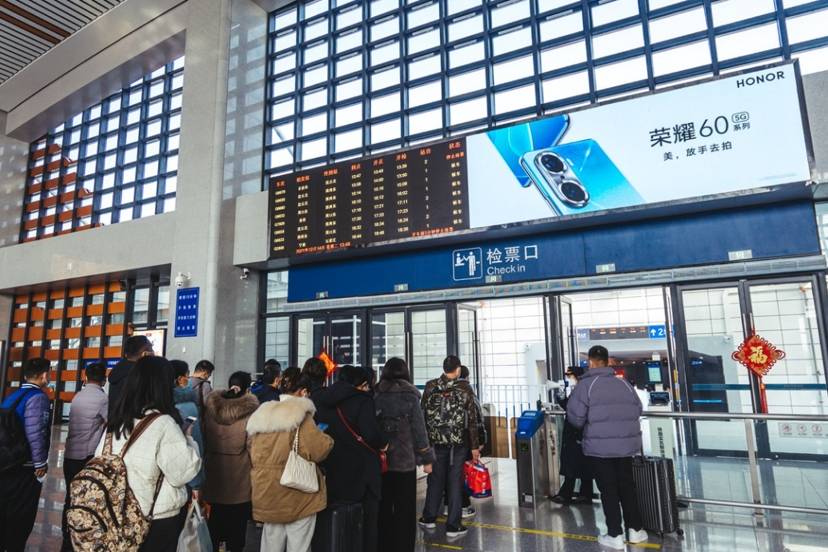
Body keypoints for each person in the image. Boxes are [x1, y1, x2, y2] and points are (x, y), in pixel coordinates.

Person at [96, 356, 201, 552]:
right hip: (154, 520)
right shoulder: (163, 423)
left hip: (115, 513)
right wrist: (188, 439)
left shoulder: (116, 422)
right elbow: (182, 473)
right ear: (163, 386)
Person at [567, 345, 647, 550]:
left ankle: (615, 534)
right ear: (607, 361)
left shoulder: (586, 385)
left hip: (600, 448)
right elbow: (638, 409)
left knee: (608, 489)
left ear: (591, 362)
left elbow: (576, 418)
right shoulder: (623, 384)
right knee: (627, 486)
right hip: (626, 447)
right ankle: (635, 530)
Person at [247, 368, 333, 551]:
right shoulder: (301, 416)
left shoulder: (262, 413)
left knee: (271, 543)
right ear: (303, 392)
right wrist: (327, 439)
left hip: (267, 489)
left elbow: (251, 448)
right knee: (299, 545)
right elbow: (318, 451)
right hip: (296, 493)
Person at [315, 365, 388, 552]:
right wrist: (384, 442)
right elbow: (371, 434)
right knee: (368, 523)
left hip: (332, 469)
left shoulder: (321, 399)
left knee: (336, 521)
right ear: (362, 384)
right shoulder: (362, 400)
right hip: (362, 472)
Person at [374, 358, 434, 552]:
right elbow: (419, 430)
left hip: (381, 462)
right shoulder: (410, 396)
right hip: (405, 463)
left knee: (383, 508)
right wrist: (427, 458)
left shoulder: (376, 394)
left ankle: (384, 546)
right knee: (405, 511)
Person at [419, 355, 481, 538]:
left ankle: (428, 517)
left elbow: (422, 416)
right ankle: (453, 526)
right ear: (458, 369)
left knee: (435, 480)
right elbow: (472, 420)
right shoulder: (465, 388)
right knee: (454, 482)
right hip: (458, 444)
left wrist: (424, 445)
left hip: (435, 442)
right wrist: (474, 447)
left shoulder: (430, 386)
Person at [201, 371, 259, 552]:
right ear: (247, 389)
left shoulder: (210, 410)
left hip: (214, 477)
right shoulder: (249, 413)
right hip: (240, 481)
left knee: (214, 528)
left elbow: (202, 440)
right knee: (237, 532)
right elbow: (254, 448)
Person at [0, 358, 52, 552]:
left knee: (5, 511)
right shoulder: (38, 397)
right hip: (24, 466)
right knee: (21, 516)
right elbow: (36, 433)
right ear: (44, 375)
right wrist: (40, 464)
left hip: (7, 462)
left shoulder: (12, 396)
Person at [61, 361, 108, 551]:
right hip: (86, 456)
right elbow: (111, 423)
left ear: (86, 377)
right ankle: (83, 533)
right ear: (104, 379)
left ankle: (66, 532)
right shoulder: (102, 399)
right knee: (87, 498)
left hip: (70, 454)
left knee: (70, 496)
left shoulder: (77, 396)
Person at [551, 366, 594, 505]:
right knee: (583, 464)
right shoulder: (584, 388)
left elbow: (572, 408)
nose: (569, 379)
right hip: (581, 432)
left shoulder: (581, 390)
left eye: (570, 376)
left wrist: (561, 399)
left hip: (576, 432)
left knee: (572, 463)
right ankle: (584, 494)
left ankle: (567, 494)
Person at [170, 360, 205, 494]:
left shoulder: (160, 403)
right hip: (186, 477)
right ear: (180, 379)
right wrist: (197, 483)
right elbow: (195, 443)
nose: (189, 379)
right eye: (187, 375)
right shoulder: (189, 408)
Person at [108, 335, 153, 415]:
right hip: (134, 421)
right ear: (144, 353)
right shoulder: (139, 375)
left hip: (116, 421)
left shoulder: (119, 370)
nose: (153, 352)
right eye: (151, 348)